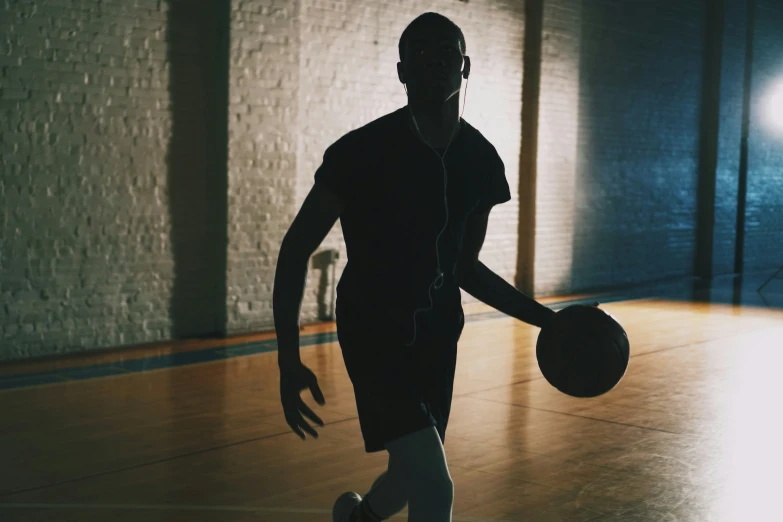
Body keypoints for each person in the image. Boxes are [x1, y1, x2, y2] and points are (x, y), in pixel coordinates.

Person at [273, 12, 555, 522]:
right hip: (373, 334)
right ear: (401, 71)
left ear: (464, 66)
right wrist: (287, 359)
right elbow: (295, 249)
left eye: (446, 52)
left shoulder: (481, 161)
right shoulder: (359, 153)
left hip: (438, 336)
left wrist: (550, 321)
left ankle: (358, 518)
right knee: (435, 483)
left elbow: (465, 268)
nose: (434, 62)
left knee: (412, 469)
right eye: (420, 54)